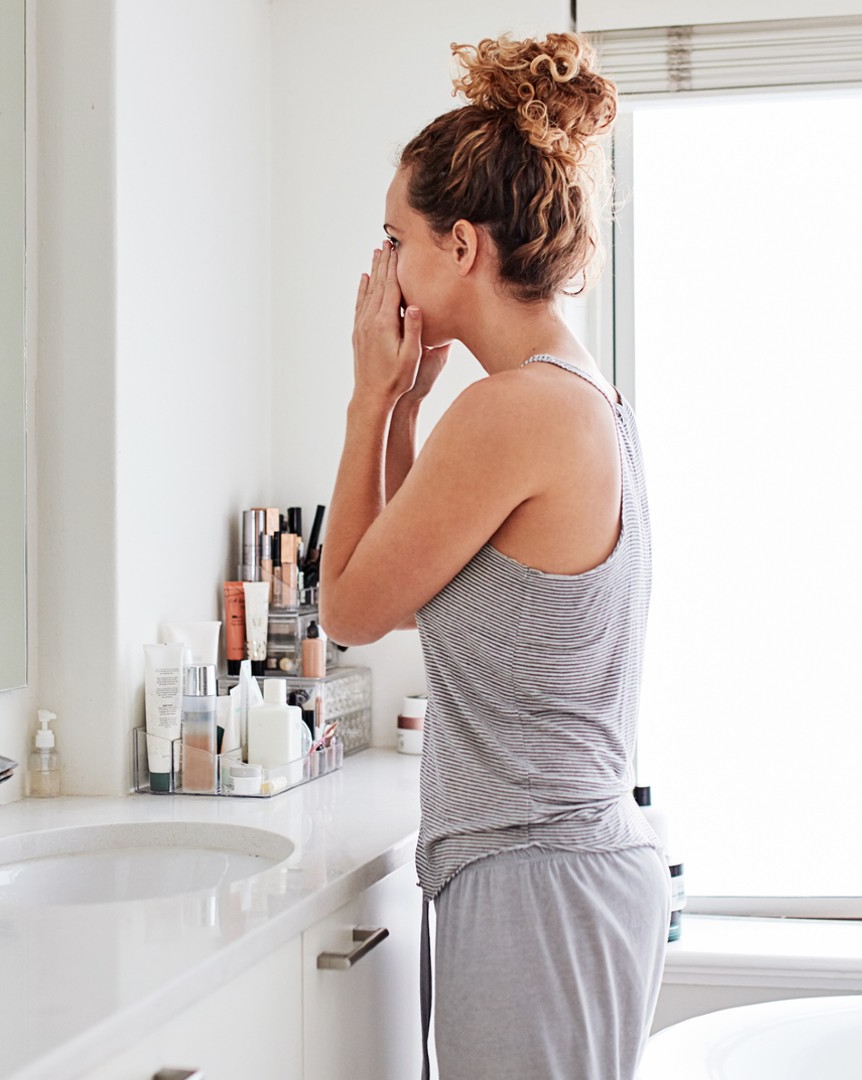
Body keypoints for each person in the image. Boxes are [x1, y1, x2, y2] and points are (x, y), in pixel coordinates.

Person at [317, 33, 664, 1079]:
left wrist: (371, 398)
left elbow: (346, 609)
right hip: (564, 872)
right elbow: (416, 585)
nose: (384, 266)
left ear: (461, 246)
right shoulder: (568, 392)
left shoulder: (511, 412)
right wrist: (409, 404)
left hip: (537, 886)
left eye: (396, 237)